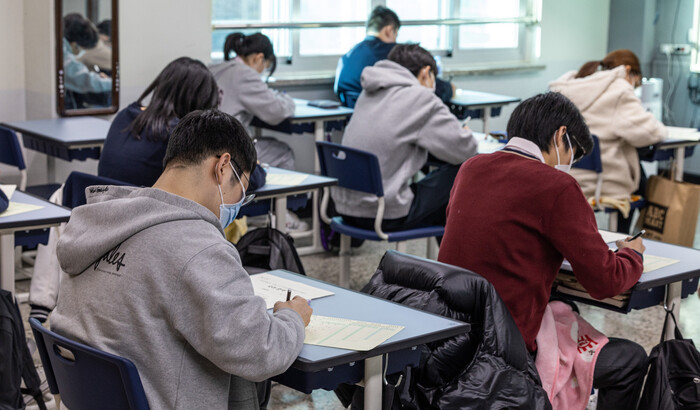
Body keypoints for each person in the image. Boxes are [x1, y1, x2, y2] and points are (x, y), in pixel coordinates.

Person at [50, 109, 312, 409]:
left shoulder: (98, 221)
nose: (239, 203)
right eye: (243, 189)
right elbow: (262, 351)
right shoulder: (197, 246)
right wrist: (293, 317)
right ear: (223, 167)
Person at [438, 92, 648, 409]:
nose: (570, 166)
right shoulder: (556, 186)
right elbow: (606, 281)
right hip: (506, 347)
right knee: (630, 359)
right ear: (561, 135)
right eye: (573, 155)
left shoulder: (471, 167)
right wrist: (633, 254)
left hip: (453, 336)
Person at [332, 44, 477, 232]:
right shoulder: (421, 97)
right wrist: (463, 130)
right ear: (426, 73)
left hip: (346, 207)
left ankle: (446, 257)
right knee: (464, 170)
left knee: (443, 199)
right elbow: (467, 149)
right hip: (383, 213)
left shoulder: (369, 92)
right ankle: (450, 258)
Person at [549, 49, 667, 233]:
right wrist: (663, 128)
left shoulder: (572, 85)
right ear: (628, 71)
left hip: (564, 174)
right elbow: (649, 132)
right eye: (636, 81)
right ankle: (623, 240)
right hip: (603, 181)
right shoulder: (619, 90)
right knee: (642, 186)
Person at [334, 6, 454, 108]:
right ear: (389, 30)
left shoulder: (349, 55)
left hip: (354, 114)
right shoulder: (395, 55)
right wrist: (449, 89)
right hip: (385, 116)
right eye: (396, 34)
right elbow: (426, 83)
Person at [210, 32, 296, 170]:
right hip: (229, 151)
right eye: (265, 67)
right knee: (284, 153)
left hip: (206, 147)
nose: (262, 72)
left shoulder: (218, 67)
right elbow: (277, 111)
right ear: (259, 58)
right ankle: (265, 190)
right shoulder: (245, 74)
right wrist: (287, 98)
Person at [62, 13, 111, 100]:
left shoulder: (62, 46)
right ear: (74, 44)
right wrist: (114, 83)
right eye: (80, 48)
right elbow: (84, 80)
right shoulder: (63, 51)